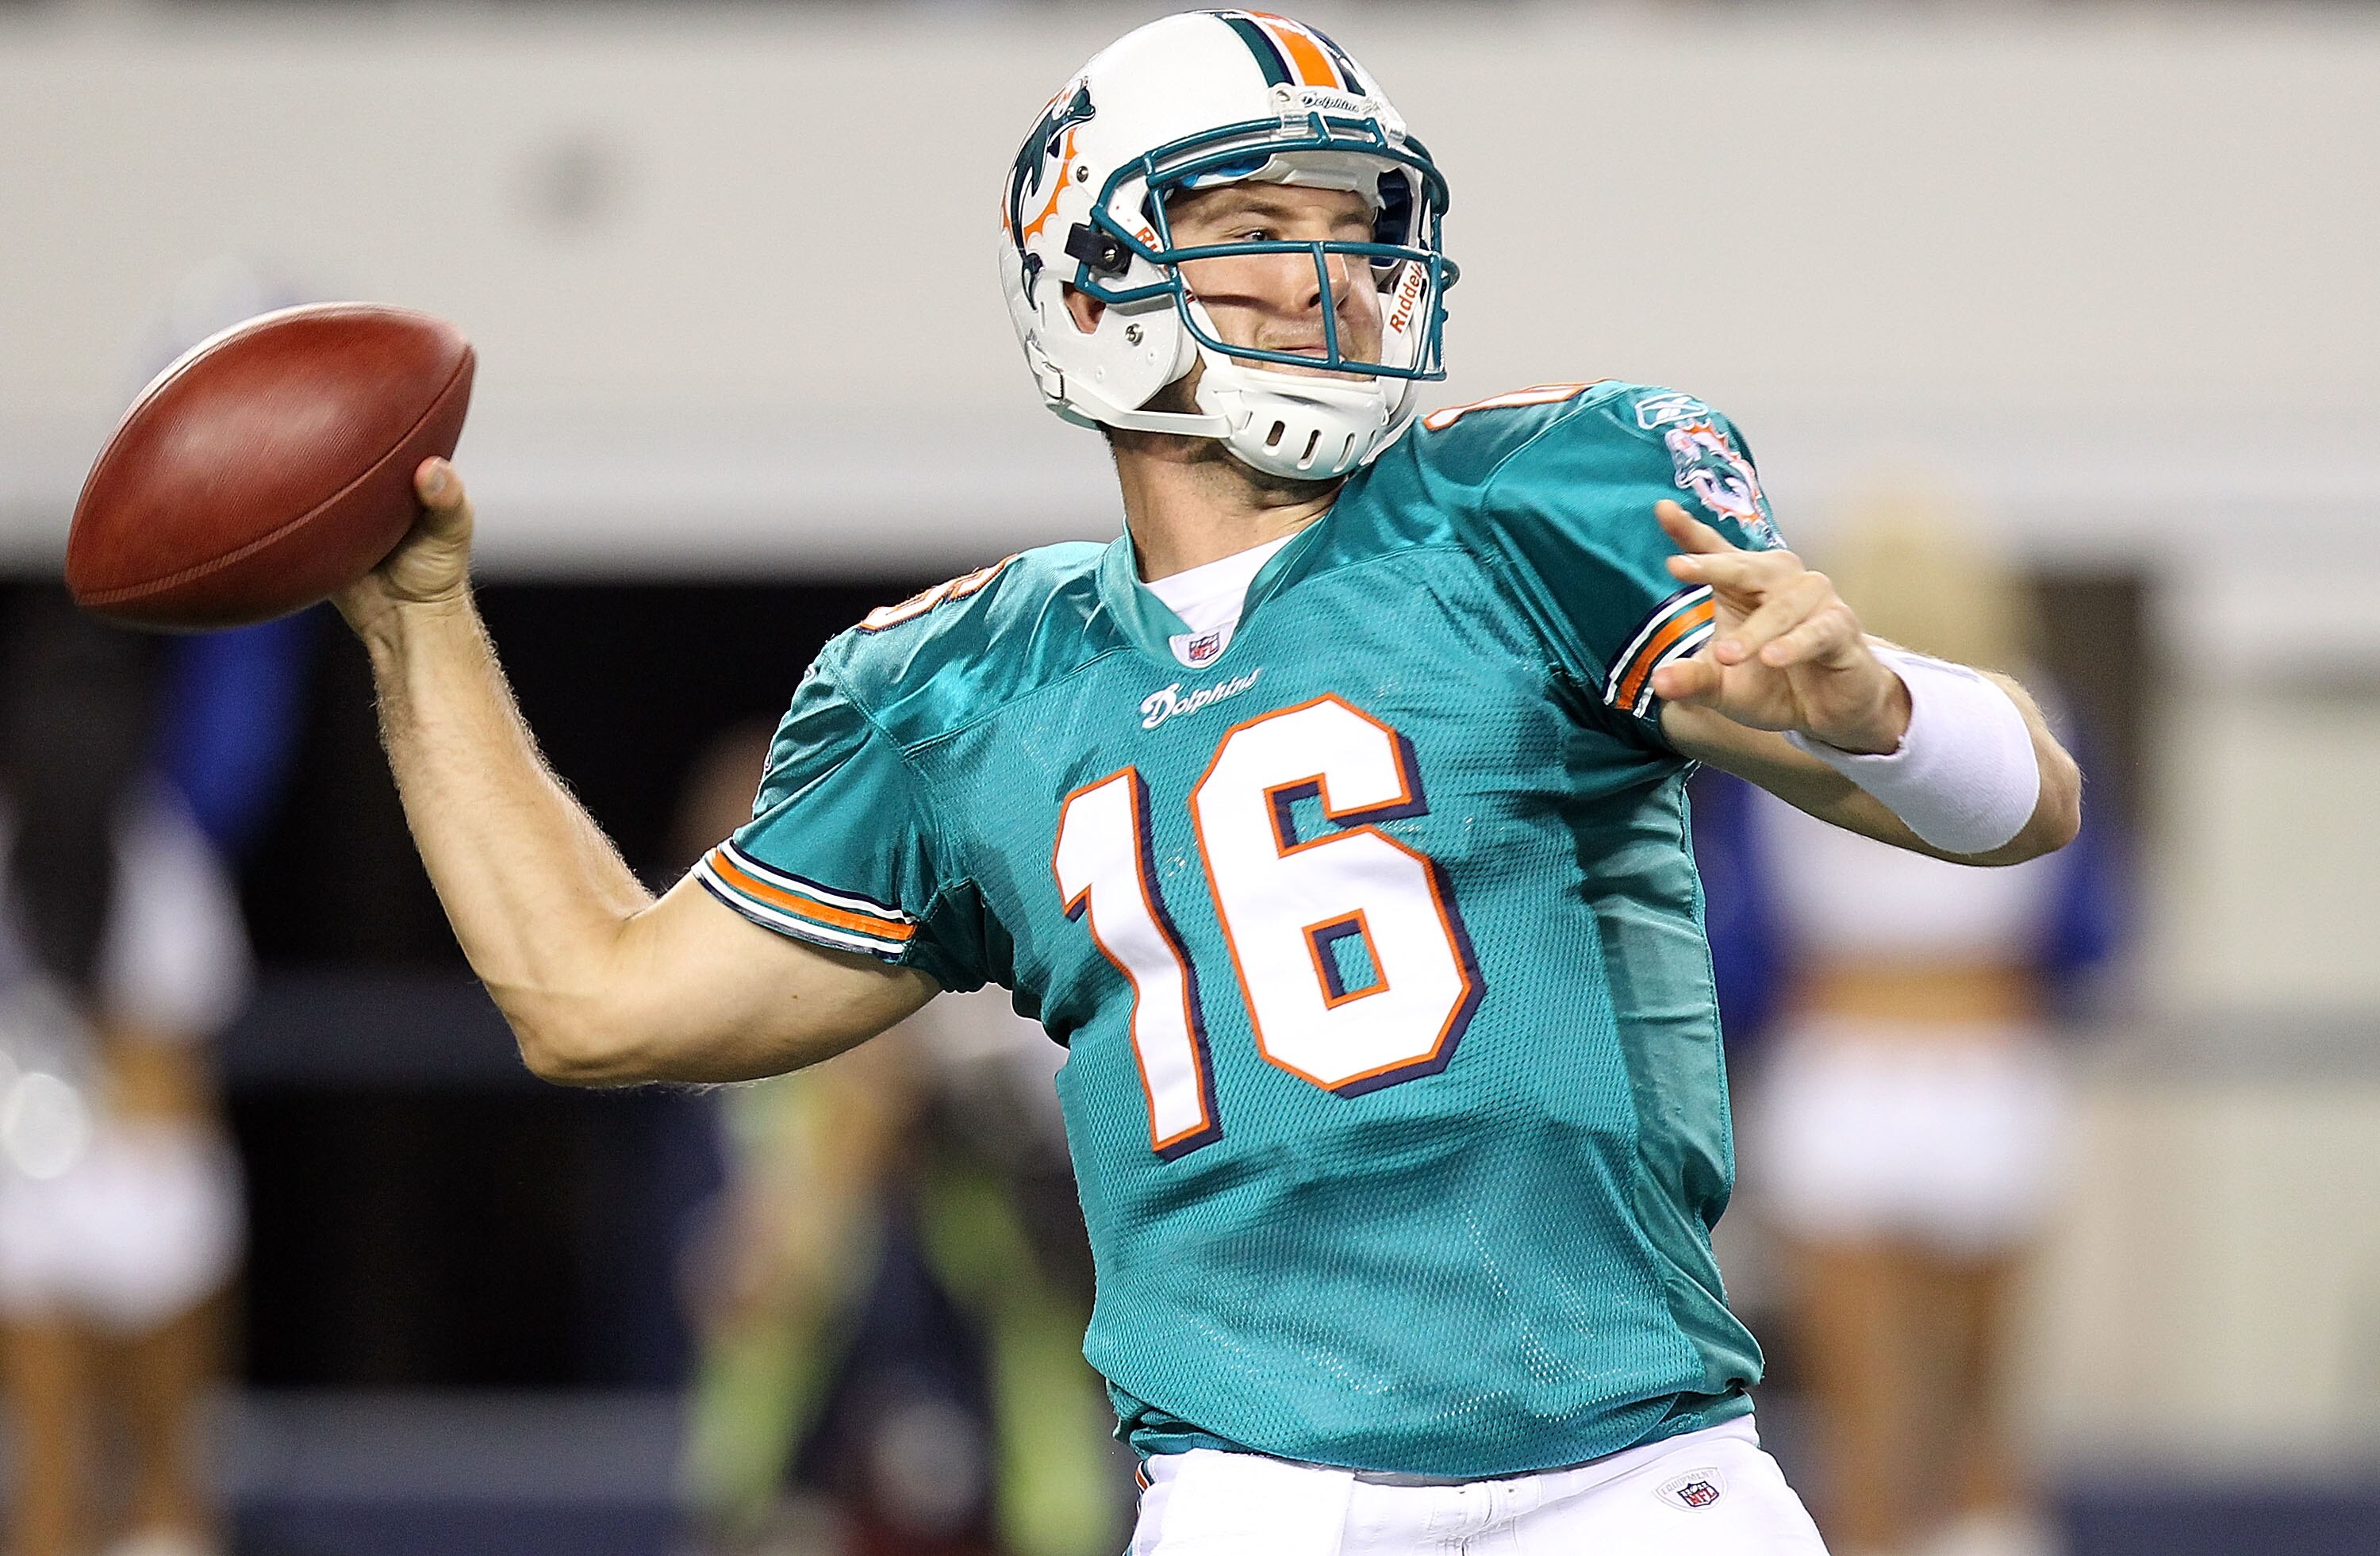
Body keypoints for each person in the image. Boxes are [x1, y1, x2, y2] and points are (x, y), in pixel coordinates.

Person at [328, 13, 2079, 1553]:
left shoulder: (1524, 513)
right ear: (1089, 285)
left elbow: (2026, 803)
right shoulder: (970, 687)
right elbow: (596, 999)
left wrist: (1882, 707)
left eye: (1356, 227)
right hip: (1255, 1498)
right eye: (1254, 232)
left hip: (1632, 1481)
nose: (1333, 276)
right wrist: (421, 626)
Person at [1713, 494, 2118, 1556]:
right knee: (1984, 1421)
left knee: (1863, 1425)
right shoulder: (2034, 715)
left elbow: (1740, 932)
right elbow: (2088, 929)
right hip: (1988, 1062)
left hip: (1843, 1067)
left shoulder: (1783, 707)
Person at [0, 592, 252, 1556]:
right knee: (136, 1487)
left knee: (84, 1486)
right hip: (98, 1200)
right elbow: (173, 1076)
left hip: (92, 1198)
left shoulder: (152, 857)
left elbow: (165, 1080)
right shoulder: (161, 855)